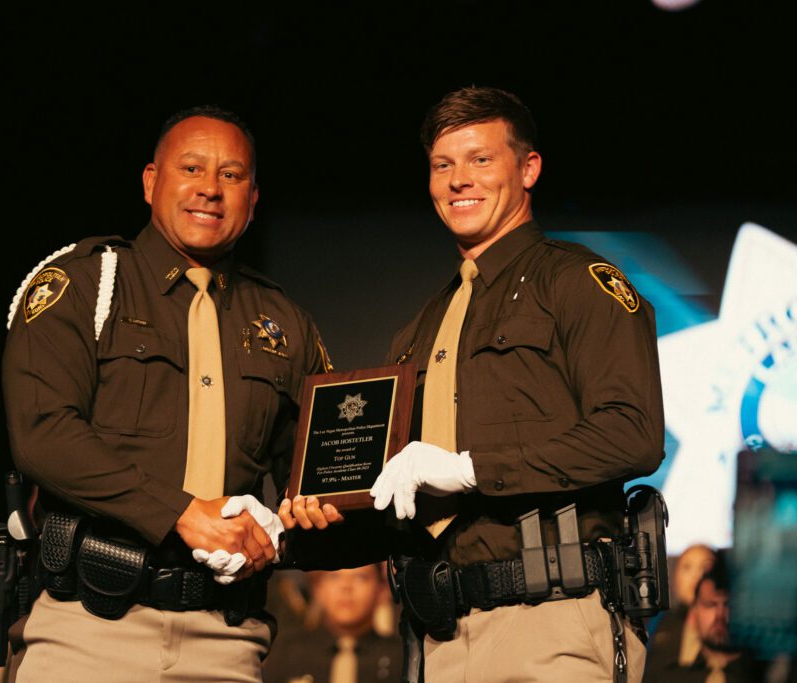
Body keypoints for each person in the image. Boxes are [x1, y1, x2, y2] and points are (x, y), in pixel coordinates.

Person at [281, 86, 665, 682]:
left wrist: (471, 468)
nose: (460, 179)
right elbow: (392, 503)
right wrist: (302, 523)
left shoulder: (578, 283)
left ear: (529, 167)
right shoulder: (419, 330)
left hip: (550, 624)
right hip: (436, 638)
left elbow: (632, 433)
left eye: (481, 160)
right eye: (443, 165)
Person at [2, 106, 331, 682]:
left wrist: (280, 535)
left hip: (227, 640)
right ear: (152, 182)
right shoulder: (83, 284)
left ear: (253, 199)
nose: (210, 188)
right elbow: (43, 434)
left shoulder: (286, 322)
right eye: (193, 168)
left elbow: (313, 480)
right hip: (90, 630)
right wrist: (180, 513)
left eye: (231, 175)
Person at [263, 564, 402, 683]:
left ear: (383, 589)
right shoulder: (287, 652)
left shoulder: (401, 658)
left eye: (361, 577)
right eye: (334, 576)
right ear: (317, 587)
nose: (346, 587)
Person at [643, 562, 762, 682]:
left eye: (729, 605)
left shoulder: (770, 674)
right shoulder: (665, 676)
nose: (720, 614)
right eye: (710, 604)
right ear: (693, 613)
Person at [647, 544, 719, 674]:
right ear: (674, 578)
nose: (696, 575)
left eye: (705, 566)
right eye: (687, 567)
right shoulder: (656, 622)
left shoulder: (728, 625)